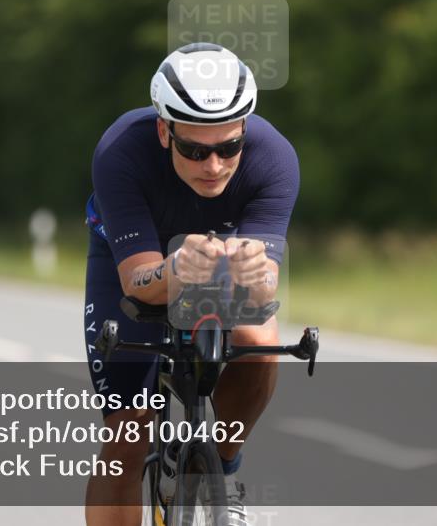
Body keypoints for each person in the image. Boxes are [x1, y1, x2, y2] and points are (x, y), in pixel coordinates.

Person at [83, 43, 300, 526]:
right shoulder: (121, 150)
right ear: (164, 131)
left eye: (229, 148)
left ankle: (222, 468)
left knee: (261, 341)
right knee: (127, 437)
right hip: (132, 255)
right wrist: (176, 269)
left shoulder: (274, 160)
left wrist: (253, 275)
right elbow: (139, 282)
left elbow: (265, 289)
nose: (215, 166)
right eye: (195, 150)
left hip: (214, 254)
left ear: (245, 130)